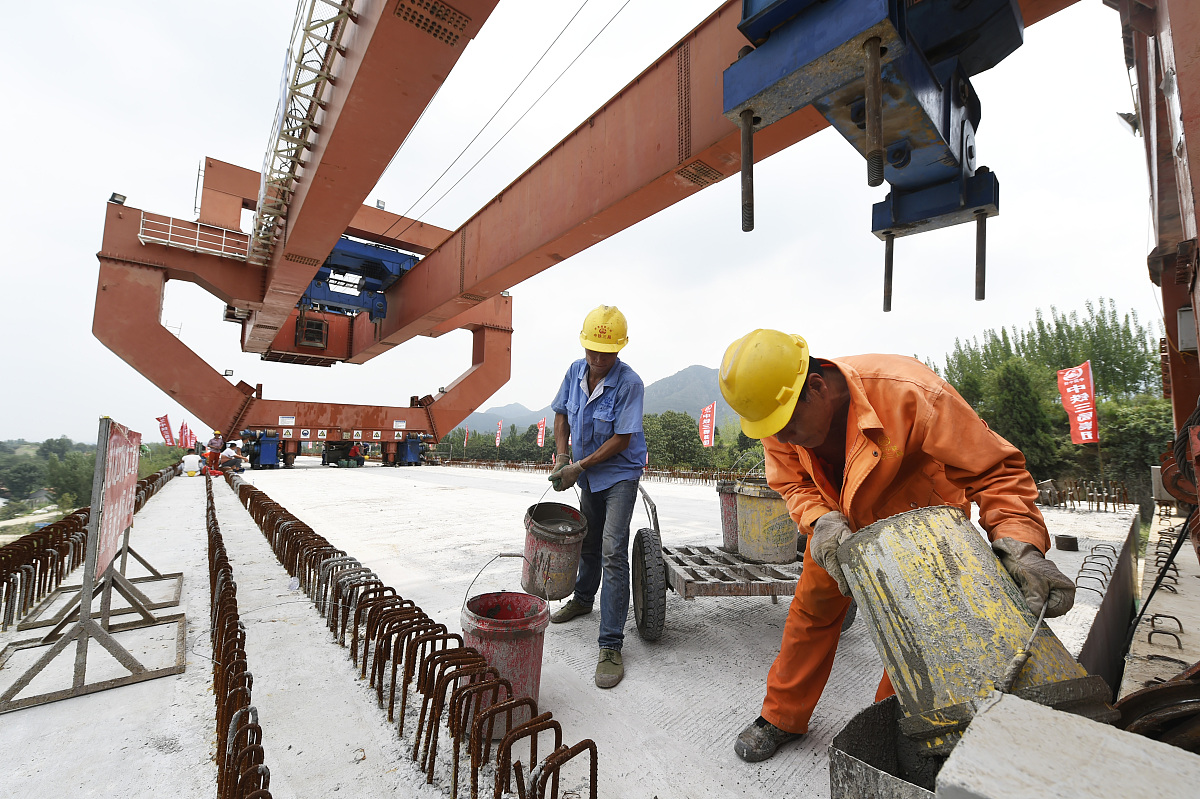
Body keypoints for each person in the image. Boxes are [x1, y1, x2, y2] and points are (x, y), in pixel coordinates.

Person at [718, 329, 1076, 762]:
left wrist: (1019, 542)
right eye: (777, 431)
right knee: (811, 612)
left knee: (914, 632)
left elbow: (995, 471)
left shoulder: (910, 392)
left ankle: (888, 727)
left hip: (920, 526)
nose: (786, 438)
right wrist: (821, 521)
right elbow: (791, 481)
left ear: (816, 387)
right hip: (841, 529)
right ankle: (781, 716)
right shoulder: (777, 414)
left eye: (791, 426)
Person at [547, 305, 648, 689]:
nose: (597, 359)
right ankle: (582, 598)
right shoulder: (575, 371)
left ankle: (610, 644)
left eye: (606, 353)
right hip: (585, 473)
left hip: (619, 473)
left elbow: (622, 439)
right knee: (588, 542)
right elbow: (560, 415)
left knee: (611, 550)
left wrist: (579, 466)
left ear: (620, 349)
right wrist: (561, 457)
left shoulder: (629, 383)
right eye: (592, 351)